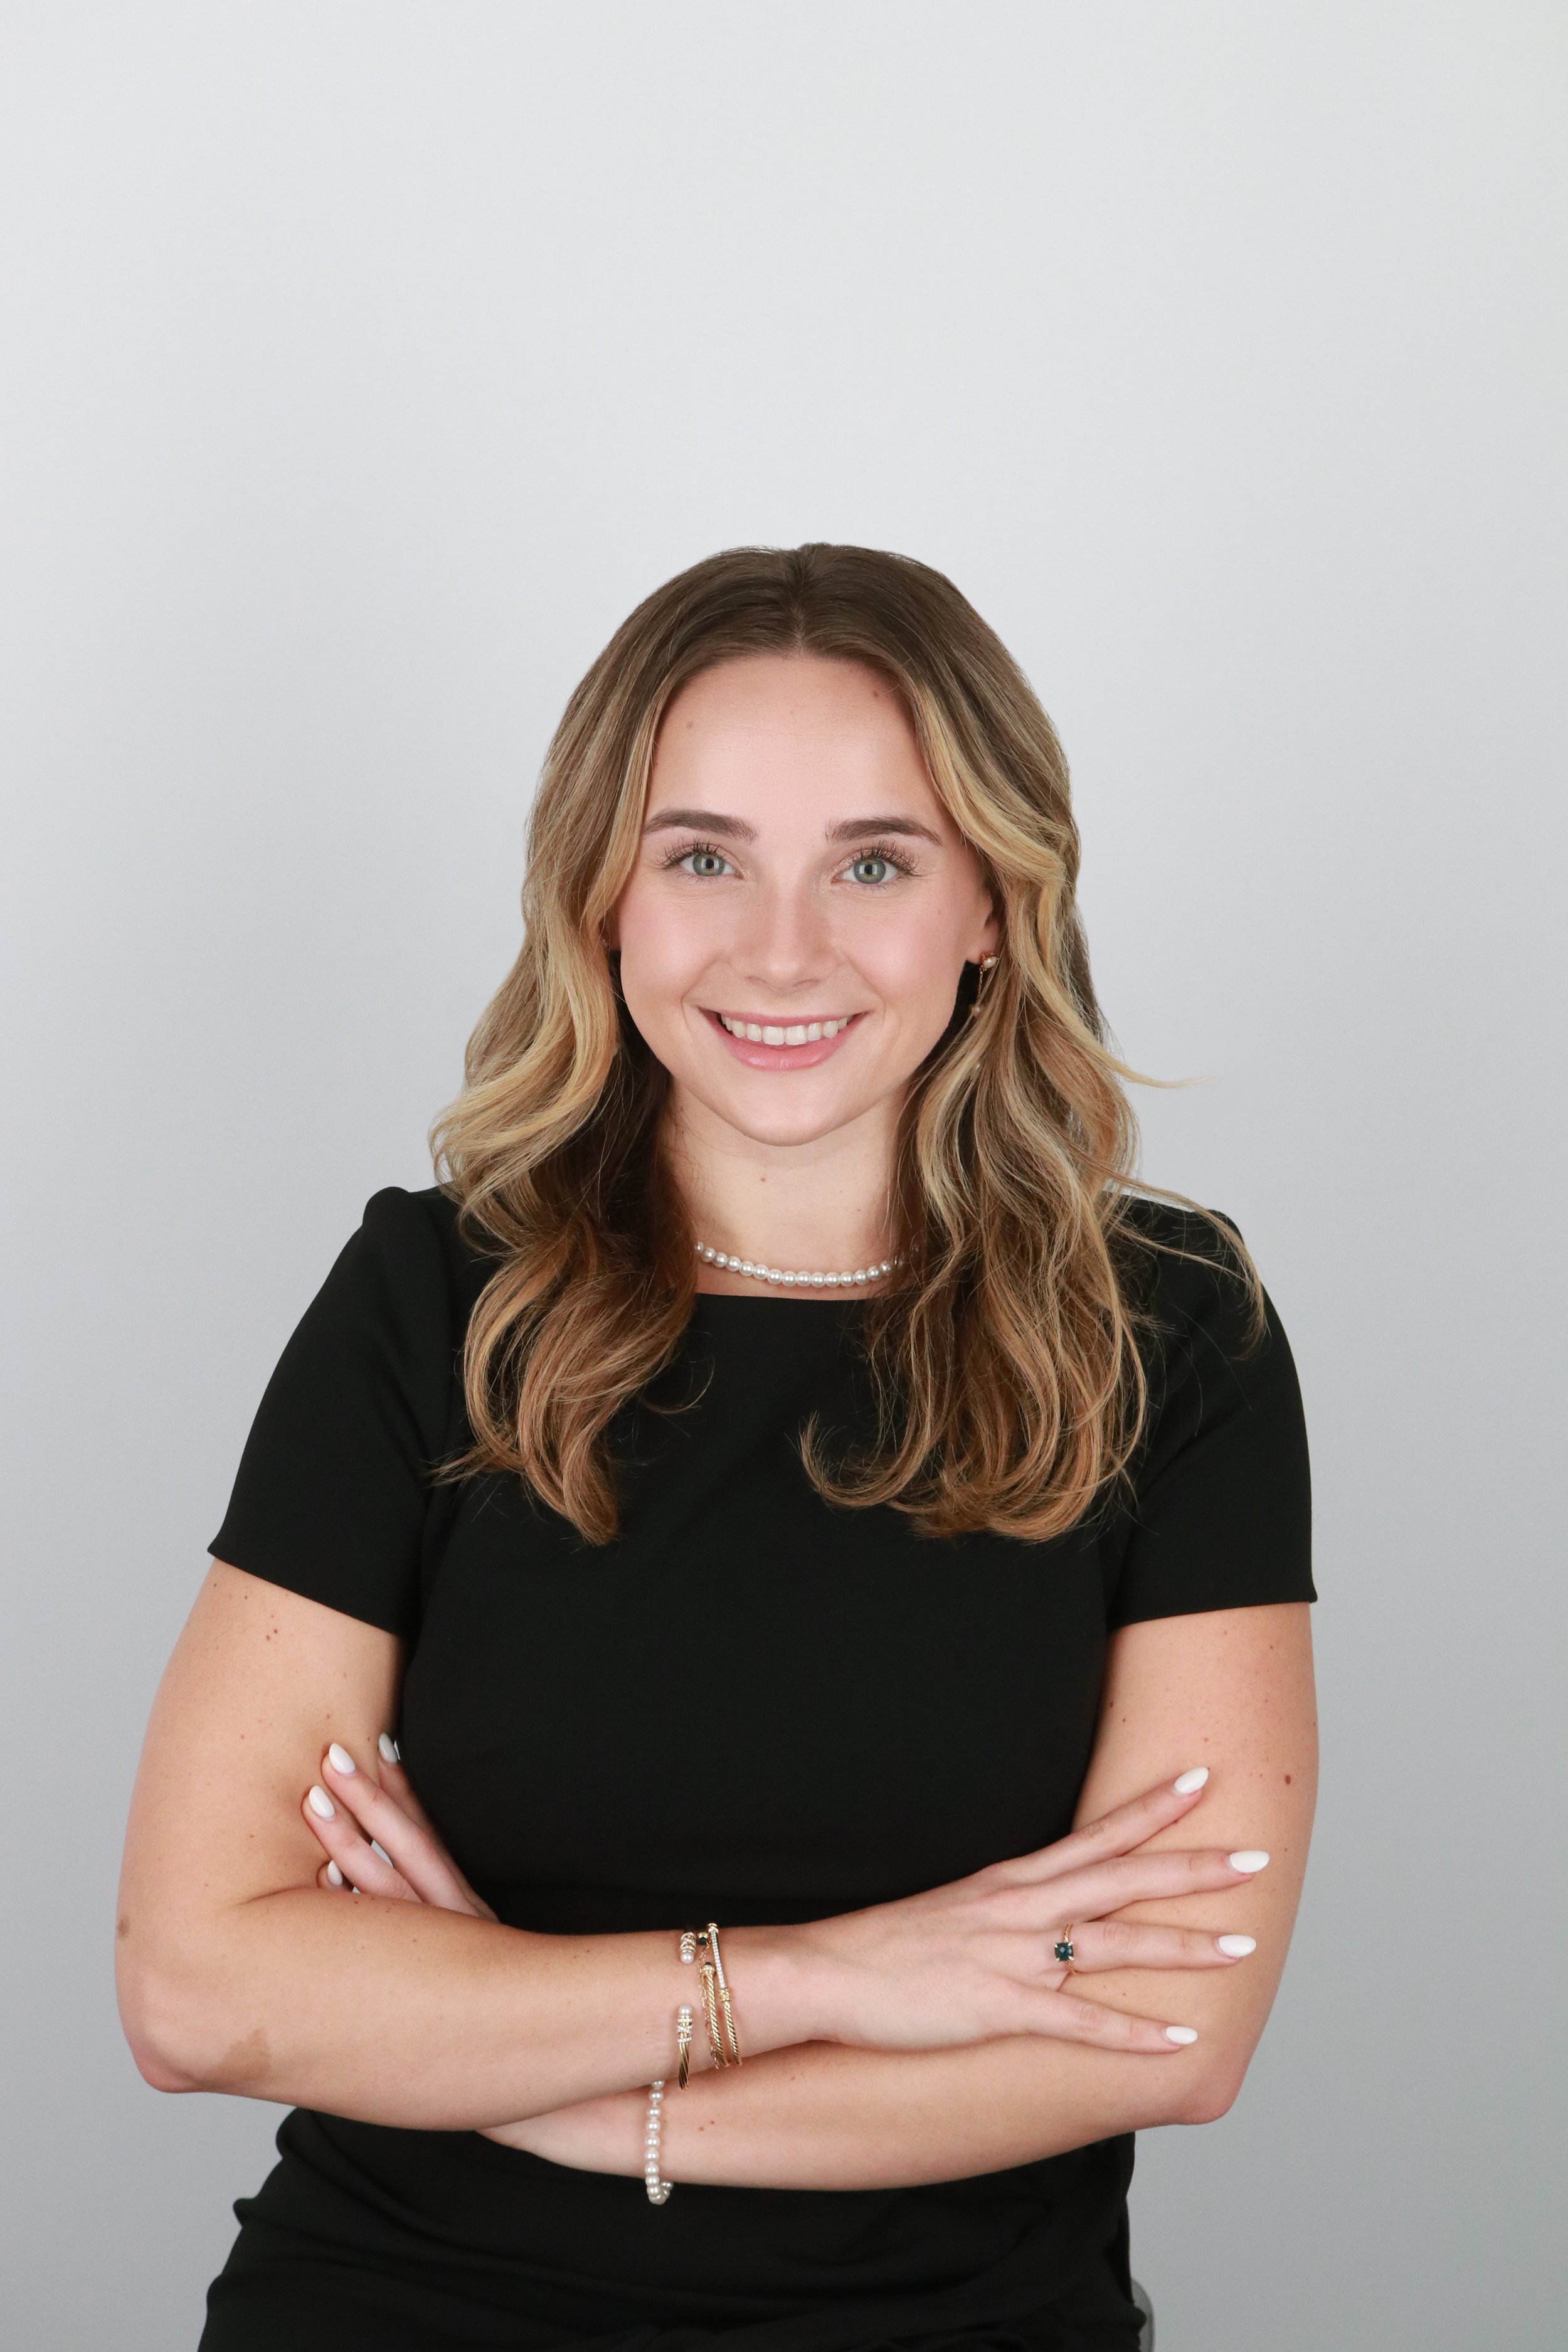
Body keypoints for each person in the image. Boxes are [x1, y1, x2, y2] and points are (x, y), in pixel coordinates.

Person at [117, 543, 1317, 2352]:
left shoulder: (1171, 1331)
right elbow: (198, 1987)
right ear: (603, 897)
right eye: (702, 858)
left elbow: (1168, 2027)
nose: (781, 948)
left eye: (873, 862)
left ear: (996, 902)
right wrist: (826, 1978)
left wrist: (564, 2094)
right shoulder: (429, 1302)